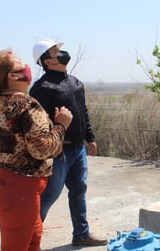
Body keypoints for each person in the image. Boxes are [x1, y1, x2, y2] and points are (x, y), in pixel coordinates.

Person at [0, 49, 73, 251]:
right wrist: (61, 125)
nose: (27, 66)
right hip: (19, 187)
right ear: (13, 76)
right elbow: (42, 149)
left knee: (33, 236)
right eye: (20, 63)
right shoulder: (27, 105)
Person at [30, 39, 107, 246]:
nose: (62, 53)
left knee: (78, 190)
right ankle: (28, 237)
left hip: (78, 149)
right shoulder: (41, 88)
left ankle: (81, 234)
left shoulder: (75, 83)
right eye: (57, 51)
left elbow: (83, 112)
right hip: (58, 152)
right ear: (47, 61)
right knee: (49, 196)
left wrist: (89, 138)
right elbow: (36, 124)